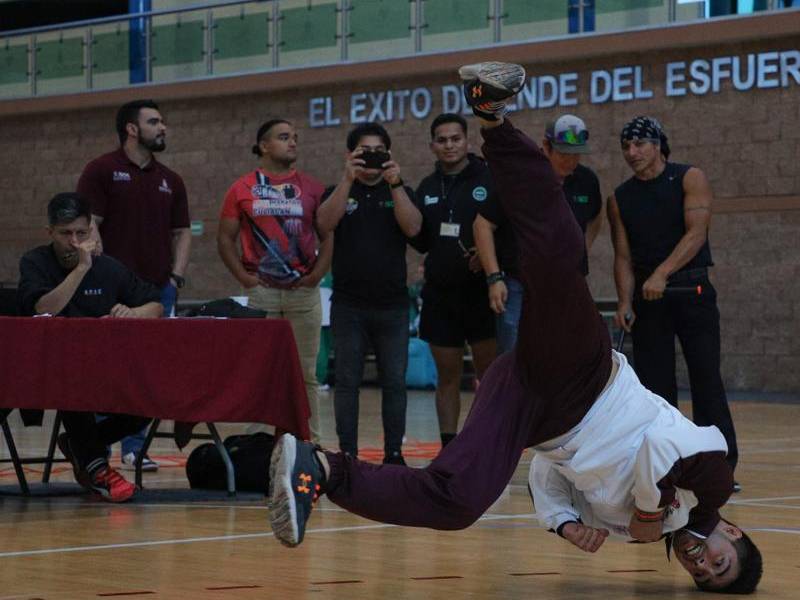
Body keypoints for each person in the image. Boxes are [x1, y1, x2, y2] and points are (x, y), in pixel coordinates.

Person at [267, 62, 762, 594]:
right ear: (732, 534)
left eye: (702, 577)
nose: (701, 565)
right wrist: (647, 509)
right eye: (720, 563)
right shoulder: (713, 487)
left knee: (458, 500)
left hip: (536, 416)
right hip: (586, 377)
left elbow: (552, 473)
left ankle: (321, 469)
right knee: (559, 258)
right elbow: (662, 448)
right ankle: (493, 117)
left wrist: (563, 521)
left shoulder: (644, 532)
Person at [606, 115, 740, 485]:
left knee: (706, 380)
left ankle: (719, 468)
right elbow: (622, 256)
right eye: (626, 146)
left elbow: (697, 233)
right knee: (655, 389)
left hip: (690, 291)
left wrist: (663, 273)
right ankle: (666, 466)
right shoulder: (619, 198)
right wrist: (624, 301)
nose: (632, 152)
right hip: (649, 299)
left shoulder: (688, 178)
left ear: (658, 145)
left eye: (639, 144)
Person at [16, 192, 162, 502]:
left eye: (81, 233)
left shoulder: (109, 268)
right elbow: (43, 308)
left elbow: (156, 305)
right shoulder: (34, 262)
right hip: (48, 370)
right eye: (65, 234)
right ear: (50, 232)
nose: (74, 242)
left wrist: (133, 312)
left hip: (106, 369)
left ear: (91, 230)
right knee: (72, 384)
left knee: (150, 398)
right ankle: (97, 467)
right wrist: (80, 269)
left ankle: (80, 445)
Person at [76, 99, 191, 472]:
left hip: (157, 289)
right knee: (104, 369)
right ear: (131, 128)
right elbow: (89, 225)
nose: (163, 127)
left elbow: (182, 232)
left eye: (162, 121)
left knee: (146, 370)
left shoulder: (171, 180)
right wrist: (103, 273)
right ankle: (96, 447)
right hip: (109, 289)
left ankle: (135, 448)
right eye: (154, 121)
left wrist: (175, 277)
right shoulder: (101, 170)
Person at [217, 119, 332, 443]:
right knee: (262, 373)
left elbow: (328, 235)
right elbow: (224, 238)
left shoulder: (312, 188)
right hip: (262, 294)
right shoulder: (241, 188)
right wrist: (244, 277)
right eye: (284, 137)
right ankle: (259, 444)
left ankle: (310, 444)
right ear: (264, 146)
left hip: (303, 294)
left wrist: (316, 275)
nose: (292, 142)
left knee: (305, 374)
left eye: (295, 137)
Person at [317, 122, 422, 464]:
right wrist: (347, 179)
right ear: (351, 154)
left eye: (379, 151)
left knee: (394, 382)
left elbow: (414, 228)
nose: (373, 158)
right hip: (349, 305)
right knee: (347, 381)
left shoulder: (400, 190)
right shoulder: (337, 190)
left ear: (389, 154)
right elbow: (324, 224)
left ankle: (394, 454)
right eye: (365, 152)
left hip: (392, 306)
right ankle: (348, 453)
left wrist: (396, 183)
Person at [473, 113, 603, 353]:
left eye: (576, 154)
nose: (570, 161)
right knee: (515, 351)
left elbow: (595, 216)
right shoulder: (522, 178)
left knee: (565, 350)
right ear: (546, 146)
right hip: (521, 283)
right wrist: (494, 277)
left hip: (567, 282)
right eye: (564, 153)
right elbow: (482, 225)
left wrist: (581, 248)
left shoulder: (586, 180)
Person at [411, 113, 497, 447]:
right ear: (432, 145)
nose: (449, 145)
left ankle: (485, 444)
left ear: (467, 140)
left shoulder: (488, 178)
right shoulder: (427, 187)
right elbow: (420, 241)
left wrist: (487, 255)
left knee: (488, 377)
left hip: (481, 295)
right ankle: (449, 448)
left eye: (455, 138)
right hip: (441, 297)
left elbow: (507, 229)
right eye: (442, 140)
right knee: (447, 378)